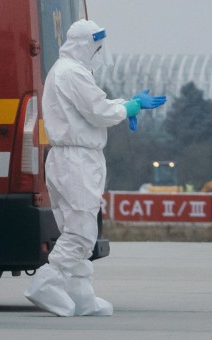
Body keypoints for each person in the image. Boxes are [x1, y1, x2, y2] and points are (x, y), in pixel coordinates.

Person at [25, 19, 165, 317]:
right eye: (97, 47)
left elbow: (89, 107)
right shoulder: (72, 72)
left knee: (73, 227)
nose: (99, 53)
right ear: (85, 46)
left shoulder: (64, 71)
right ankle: (46, 283)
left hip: (67, 158)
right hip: (76, 159)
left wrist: (127, 103)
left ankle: (80, 293)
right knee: (81, 232)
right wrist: (129, 107)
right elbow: (98, 111)